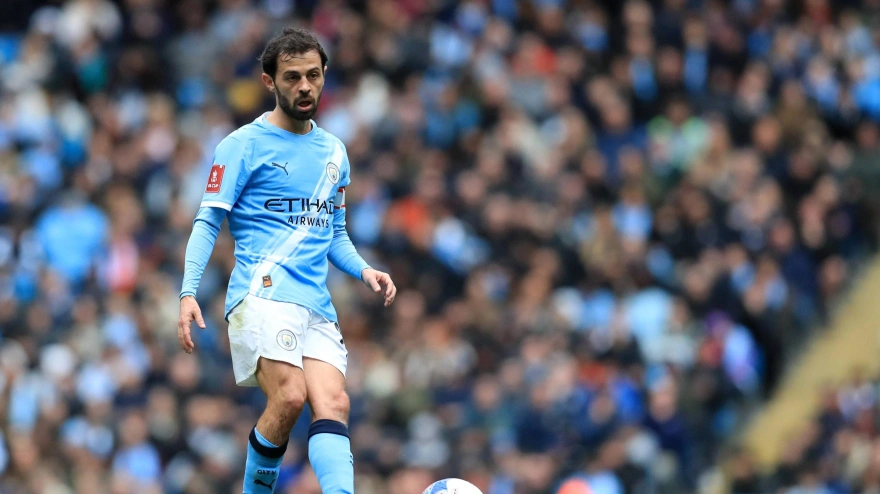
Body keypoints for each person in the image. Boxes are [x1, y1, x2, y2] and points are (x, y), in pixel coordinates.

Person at [176, 27, 397, 494]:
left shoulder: (335, 152)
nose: (304, 87)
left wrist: (364, 269)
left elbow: (333, 233)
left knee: (334, 402)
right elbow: (208, 221)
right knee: (292, 395)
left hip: (315, 303)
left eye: (313, 76)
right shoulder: (241, 145)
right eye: (292, 77)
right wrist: (188, 291)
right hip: (261, 294)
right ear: (268, 81)